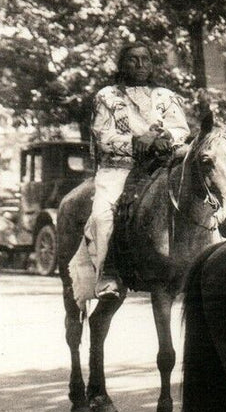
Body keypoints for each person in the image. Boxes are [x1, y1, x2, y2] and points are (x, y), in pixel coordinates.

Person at [70, 43, 191, 300]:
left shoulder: (165, 96)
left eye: (145, 60)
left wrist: (165, 137)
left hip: (161, 164)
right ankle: (108, 275)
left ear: (152, 64)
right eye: (133, 60)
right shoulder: (107, 97)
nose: (139, 65)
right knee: (103, 216)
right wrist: (139, 140)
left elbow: (182, 129)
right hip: (119, 168)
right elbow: (104, 136)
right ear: (122, 64)